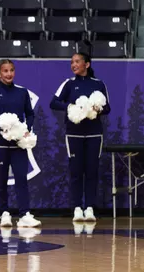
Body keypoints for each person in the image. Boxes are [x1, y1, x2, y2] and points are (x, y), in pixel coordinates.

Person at [50, 49, 110, 222]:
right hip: (74, 134)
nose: (74, 65)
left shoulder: (98, 84)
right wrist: (71, 107)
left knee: (91, 171)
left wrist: (98, 109)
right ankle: (77, 208)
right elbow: (53, 102)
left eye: (77, 61)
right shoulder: (68, 84)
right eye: (72, 62)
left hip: (94, 134)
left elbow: (108, 108)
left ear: (87, 64)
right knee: (76, 172)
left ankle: (89, 208)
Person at [0, 59, 41, 228]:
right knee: (1, 179)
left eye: (11, 70)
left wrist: (26, 129)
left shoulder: (22, 93)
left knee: (21, 178)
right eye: (5, 71)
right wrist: (0, 125)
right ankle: (4, 213)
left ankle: (25, 214)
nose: (9, 74)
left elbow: (29, 114)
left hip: (18, 144)